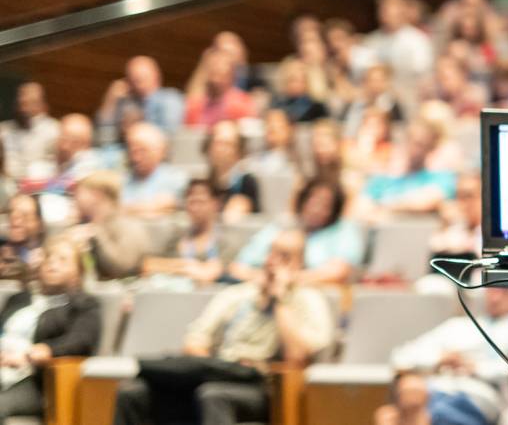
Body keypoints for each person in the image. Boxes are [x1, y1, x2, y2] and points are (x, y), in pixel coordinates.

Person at [113, 229, 336, 425]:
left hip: (267, 388)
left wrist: (280, 300)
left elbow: (296, 357)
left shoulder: (309, 300)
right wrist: (214, 368)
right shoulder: (237, 295)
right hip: (221, 374)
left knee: (213, 396)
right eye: (271, 253)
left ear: (299, 265)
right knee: (132, 392)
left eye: (284, 257)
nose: (273, 262)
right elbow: (194, 342)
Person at [385, 287, 508, 425]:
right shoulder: (460, 326)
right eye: (491, 290)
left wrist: (476, 368)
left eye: (504, 290)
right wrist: (439, 359)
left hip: (483, 394)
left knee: (410, 415)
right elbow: (401, 356)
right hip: (439, 387)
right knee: (411, 387)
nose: (495, 297)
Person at [0, 238, 102, 418]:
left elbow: (81, 341)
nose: (52, 263)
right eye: (49, 258)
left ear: (78, 272)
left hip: (34, 380)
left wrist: (37, 353)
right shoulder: (19, 299)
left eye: (62, 259)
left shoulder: (83, 305)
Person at [229, 181, 363, 286]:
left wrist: (292, 279)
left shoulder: (343, 230)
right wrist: (267, 278)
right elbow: (238, 267)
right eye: (313, 202)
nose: (316, 209)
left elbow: (339, 272)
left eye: (325, 205)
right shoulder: (280, 227)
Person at [141, 180, 235, 289]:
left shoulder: (225, 242)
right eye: (191, 202)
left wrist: (169, 268)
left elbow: (208, 274)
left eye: (200, 202)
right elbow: (148, 266)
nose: (194, 208)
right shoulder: (177, 236)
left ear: (215, 204)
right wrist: (188, 266)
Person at [65, 171, 152, 281]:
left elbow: (122, 267)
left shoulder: (129, 226)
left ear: (97, 195)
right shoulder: (84, 226)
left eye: (79, 193)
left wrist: (96, 235)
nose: (75, 198)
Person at [98, 56, 185, 141]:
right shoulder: (126, 102)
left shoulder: (170, 98)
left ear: (156, 76)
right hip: (122, 151)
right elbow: (103, 136)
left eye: (142, 76)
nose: (136, 81)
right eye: (132, 77)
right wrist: (110, 101)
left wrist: (139, 126)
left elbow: (172, 134)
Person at [121, 122, 188, 217]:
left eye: (142, 151)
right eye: (133, 151)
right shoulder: (122, 180)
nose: (136, 158)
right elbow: (114, 209)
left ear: (159, 151)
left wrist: (129, 209)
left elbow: (168, 205)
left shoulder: (176, 178)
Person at [202, 120, 261, 220]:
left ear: (239, 150)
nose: (221, 149)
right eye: (218, 143)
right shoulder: (204, 183)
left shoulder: (246, 183)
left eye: (228, 144)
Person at [0, 82, 58, 181]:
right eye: (21, 103)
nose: (23, 109)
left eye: (30, 103)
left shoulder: (54, 131)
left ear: (42, 105)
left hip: (36, 185)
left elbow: (55, 167)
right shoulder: (4, 129)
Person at [184, 49, 258, 127]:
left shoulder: (242, 104)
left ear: (230, 76)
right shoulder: (195, 106)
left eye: (220, 75)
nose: (215, 80)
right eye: (213, 74)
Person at [29, 112, 98, 195]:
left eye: (74, 142)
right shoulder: (45, 163)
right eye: (63, 138)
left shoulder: (91, 160)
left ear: (87, 144)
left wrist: (36, 186)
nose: (64, 146)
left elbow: (73, 184)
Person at [0, 196, 44, 281]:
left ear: (39, 224)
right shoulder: (2, 247)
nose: (15, 220)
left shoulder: (46, 258)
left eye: (25, 215)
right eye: (11, 213)